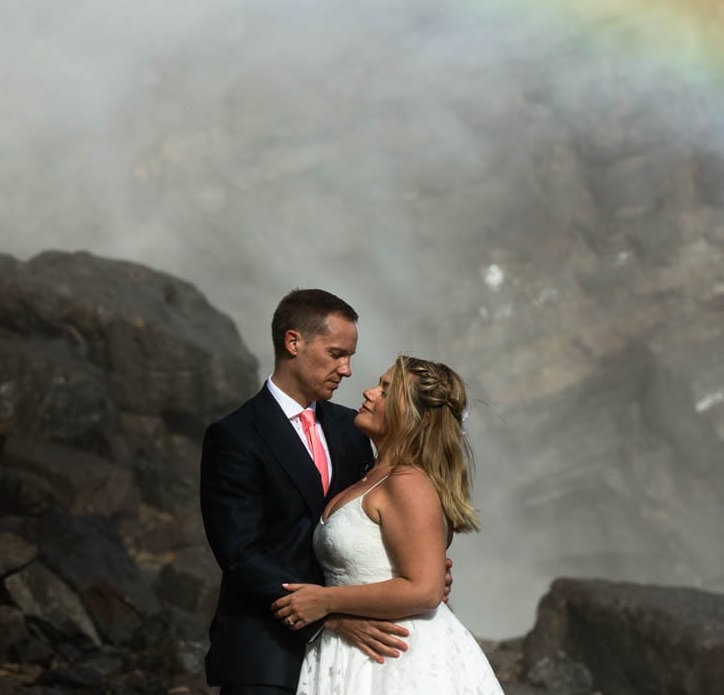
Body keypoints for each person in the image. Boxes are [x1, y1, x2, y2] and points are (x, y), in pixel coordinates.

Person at [200, 289, 415, 694]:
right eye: (336, 354)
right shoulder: (234, 435)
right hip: (266, 653)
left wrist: (422, 564)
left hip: (353, 655)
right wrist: (327, 616)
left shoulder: (352, 429)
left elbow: (383, 508)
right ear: (293, 342)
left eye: (349, 356)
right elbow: (240, 552)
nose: (348, 370)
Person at [273, 355, 504, 695]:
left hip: (395, 657)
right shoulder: (370, 474)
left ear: (418, 419)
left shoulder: (407, 482)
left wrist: (326, 601)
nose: (368, 392)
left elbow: (424, 590)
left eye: (386, 390)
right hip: (352, 649)